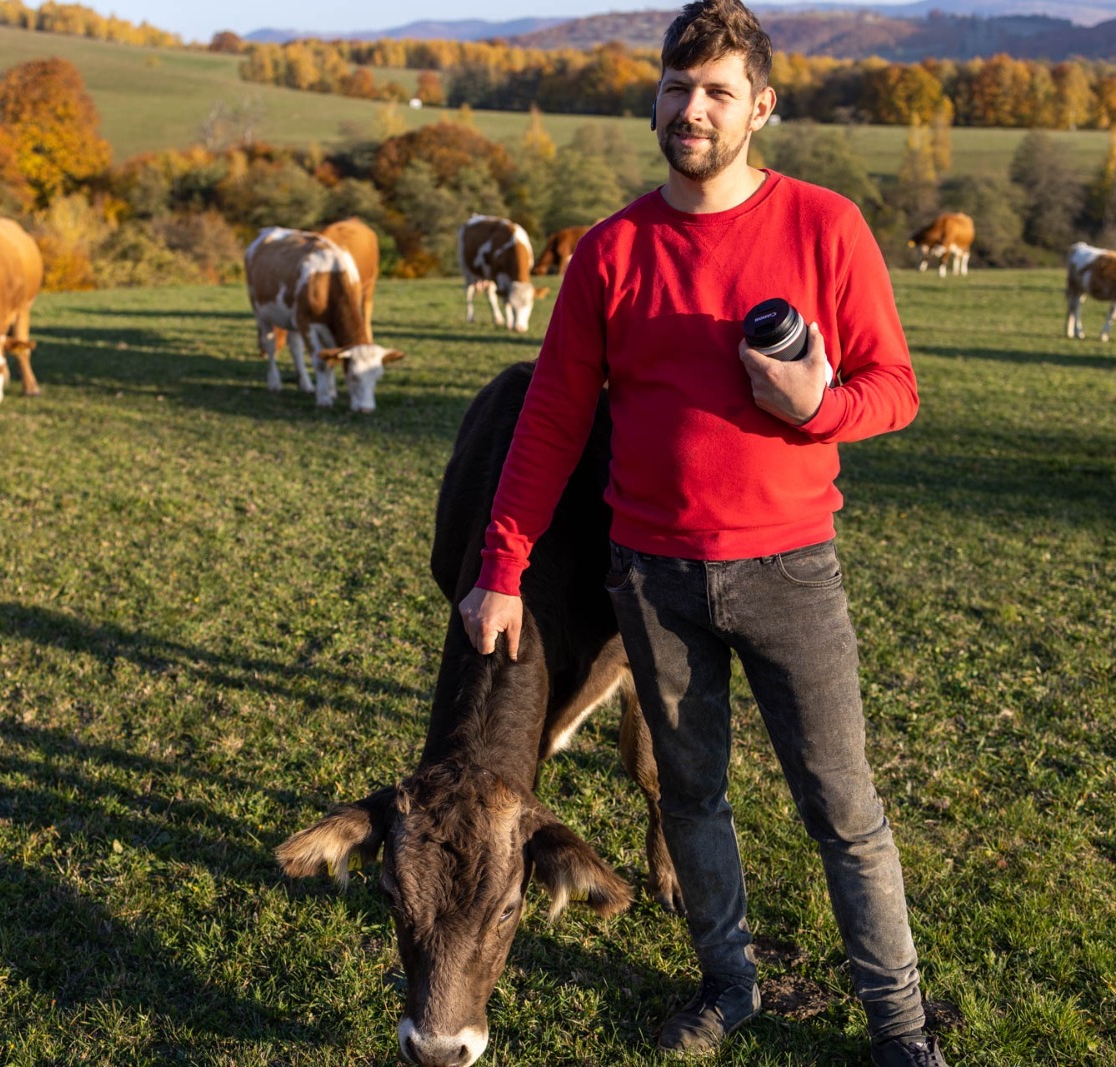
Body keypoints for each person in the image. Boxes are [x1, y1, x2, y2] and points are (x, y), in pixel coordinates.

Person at [455, 2, 948, 1064]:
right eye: (677, 88)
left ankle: (899, 1023)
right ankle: (728, 984)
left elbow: (896, 388)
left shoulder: (826, 225)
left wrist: (816, 408)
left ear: (759, 108)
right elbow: (548, 422)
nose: (692, 108)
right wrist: (500, 567)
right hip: (654, 579)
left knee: (842, 806)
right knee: (690, 797)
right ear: (656, 98)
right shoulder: (612, 250)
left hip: (789, 571)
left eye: (719, 91)